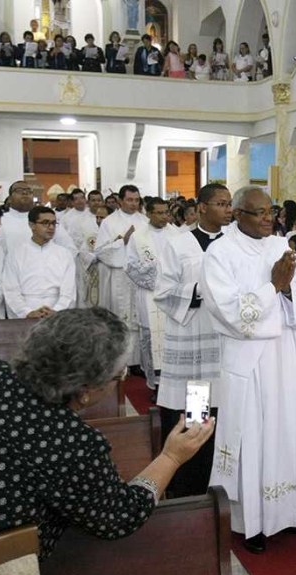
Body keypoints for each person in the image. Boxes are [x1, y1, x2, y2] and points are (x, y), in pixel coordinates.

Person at [0, 308, 215, 557]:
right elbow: (120, 516)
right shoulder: (70, 443)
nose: (120, 379)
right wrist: (171, 457)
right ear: (86, 391)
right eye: (119, 374)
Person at [199, 185, 296, 554]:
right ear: (237, 214)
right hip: (247, 357)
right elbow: (229, 311)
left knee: (288, 427)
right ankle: (253, 523)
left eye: (271, 212)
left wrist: (288, 290)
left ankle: (289, 512)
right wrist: (274, 286)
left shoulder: (281, 246)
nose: (269, 219)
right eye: (259, 213)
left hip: (285, 353)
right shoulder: (220, 252)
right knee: (253, 435)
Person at [153, 184, 232, 497]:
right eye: (220, 204)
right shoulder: (179, 244)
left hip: (226, 342)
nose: (228, 209)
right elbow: (163, 291)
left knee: (225, 412)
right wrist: (200, 291)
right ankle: (190, 486)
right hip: (193, 343)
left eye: (229, 204)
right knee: (197, 414)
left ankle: (222, 483)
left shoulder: (235, 243)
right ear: (201, 207)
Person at [126, 198, 180, 391]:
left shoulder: (177, 234)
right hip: (149, 296)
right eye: (159, 212)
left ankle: (174, 382)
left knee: (172, 338)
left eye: (166, 212)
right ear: (148, 213)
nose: (165, 216)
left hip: (173, 296)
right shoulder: (138, 237)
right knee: (152, 340)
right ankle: (156, 385)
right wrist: (155, 277)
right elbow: (131, 267)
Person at [95, 184, 148, 366]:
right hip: (119, 277)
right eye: (129, 200)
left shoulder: (145, 221)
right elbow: (100, 251)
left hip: (140, 278)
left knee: (140, 318)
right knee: (122, 318)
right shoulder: (109, 222)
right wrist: (122, 242)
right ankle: (121, 362)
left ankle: (139, 362)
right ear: (120, 201)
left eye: (136, 200)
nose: (133, 204)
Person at [3, 206, 76, 319]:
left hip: (56, 313)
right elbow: (11, 290)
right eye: (45, 223)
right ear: (32, 225)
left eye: (53, 223)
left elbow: (69, 291)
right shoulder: (16, 254)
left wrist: (56, 311)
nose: (51, 227)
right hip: (25, 312)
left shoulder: (64, 254)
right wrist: (27, 312)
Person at [0, 181, 77, 256]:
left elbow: (70, 249)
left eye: (28, 191)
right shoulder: (0, 222)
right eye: (19, 190)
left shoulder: (48, 220)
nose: (25, 193)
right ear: (9, 198)